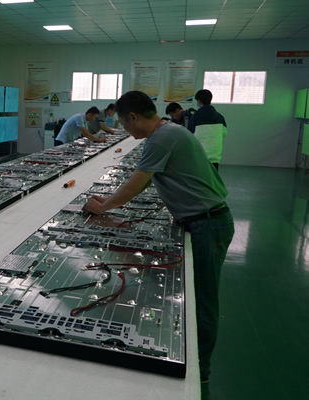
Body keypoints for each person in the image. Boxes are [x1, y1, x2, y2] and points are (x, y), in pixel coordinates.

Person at [84, 91, 235, 384]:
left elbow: (134, 187)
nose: (125, 130)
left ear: (133, 117)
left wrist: (102, 207)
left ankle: (200, 372)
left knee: (203, 300)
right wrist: (109, 200)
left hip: (208, 224)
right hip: (205, 220)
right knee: (198, 296)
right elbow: (143, 183)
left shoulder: (160, 138)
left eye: (124, 124)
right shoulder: (169, 131)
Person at [188, 89, 227, 170]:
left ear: (199, 101)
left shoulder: (195, 117)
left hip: (199, 156)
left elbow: (189, 135)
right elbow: (224, 133)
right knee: (213, 177)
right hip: (215, 155)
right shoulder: (220, 117)